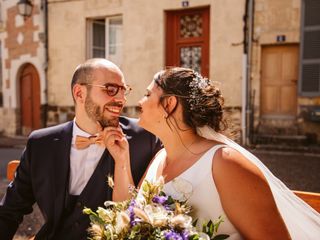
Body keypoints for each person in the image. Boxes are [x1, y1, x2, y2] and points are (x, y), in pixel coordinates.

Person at [135, 67, 320, 239]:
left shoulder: (224, 163)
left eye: (147, 94)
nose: (139, 102)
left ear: (169, 103)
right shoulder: (159, 158)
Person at [0, 58, 162, 240]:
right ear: (79, 93)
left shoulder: (145, 138)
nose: (121, 99)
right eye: (111, 89)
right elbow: (10, 211)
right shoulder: (41, 144)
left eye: (124, 91)